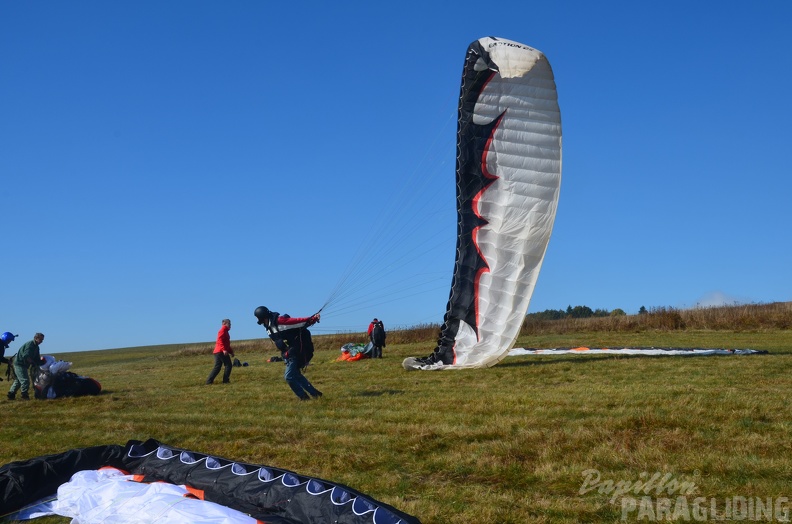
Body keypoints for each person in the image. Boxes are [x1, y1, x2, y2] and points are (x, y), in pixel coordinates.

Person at [254, 306, 322, 400]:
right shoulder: (268, 327)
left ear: (261, 316)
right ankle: (315, 394)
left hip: (295, 351)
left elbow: (297, 321)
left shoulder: (280, 321)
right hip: (287, 353)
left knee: (289, 376)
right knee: (296, 375)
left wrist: (312, 318)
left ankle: (303, 397)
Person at [8, 332, 44, 401]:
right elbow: (26, 356)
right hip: (20, 364)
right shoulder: (30, 345)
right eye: (41, 340)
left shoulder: (36, 347)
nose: (41, 342)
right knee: (25, 380)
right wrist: (32, 362)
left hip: (23, 365)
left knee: (18, 380)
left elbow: (36, 358)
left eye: (42, 340)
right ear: (36, 338)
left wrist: (40, 362)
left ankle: (11, 394)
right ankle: (24, 395)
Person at [206, 319, 234, 385]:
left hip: (218, 351)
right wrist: (224, 350)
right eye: (229, 324)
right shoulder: (222, 330)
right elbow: (220, 341)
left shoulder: (226, 331)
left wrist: (231, 352)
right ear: (224, 324)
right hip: (220, 351)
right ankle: (225, 380)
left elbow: (226, 344)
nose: (230, 325)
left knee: (217, 367)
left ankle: (209, 381)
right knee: (228, 365)